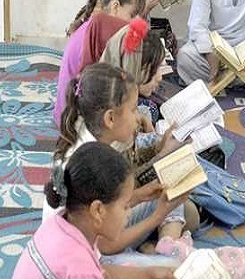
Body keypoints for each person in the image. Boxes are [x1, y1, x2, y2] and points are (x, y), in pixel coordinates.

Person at [45, 63, 199, 267]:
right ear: (110, 118)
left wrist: (141, 195)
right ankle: (158, 251)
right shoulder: (92, 164)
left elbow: (112, 205)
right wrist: (156, 216)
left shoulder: (93, 133)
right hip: (94, 257)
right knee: (171, 267)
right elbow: (105, 245)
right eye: (134, 109)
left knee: (182, 205)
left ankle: (163, 245)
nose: (139, 117)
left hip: (100, 234)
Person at [13, 142, 176, 279]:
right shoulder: (80, 265)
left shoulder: (61, 223)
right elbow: (91, 271)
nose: (129, 212)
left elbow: (101, 271)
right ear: (98, 210)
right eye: (125, 206)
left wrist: (147, 274)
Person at [54, 0, 147, 127]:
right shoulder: (105, 32)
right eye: (132, 15)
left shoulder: (98, 25)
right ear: (115, 6)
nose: (134, 23)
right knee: (145, 110)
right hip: (75, 118)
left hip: (67, 113)